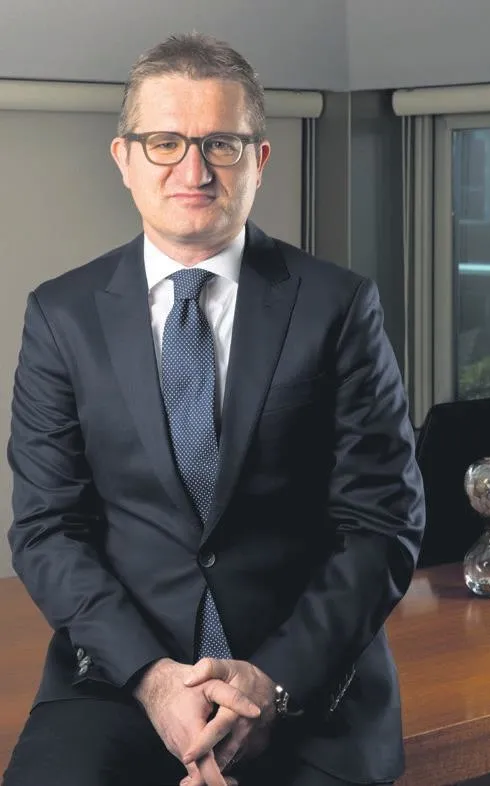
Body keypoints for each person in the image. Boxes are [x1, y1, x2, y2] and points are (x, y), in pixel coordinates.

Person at [4, 32, 425, 786]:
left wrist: (273, 682)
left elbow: (382, 522)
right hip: (119, 679)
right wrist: (152, 678)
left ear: (259, 159)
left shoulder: (338, 307)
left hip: (309, 684)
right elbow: (46, 528)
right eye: (165, 143)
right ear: (124, 159)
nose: (193, 171)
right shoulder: (62, 316)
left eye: (221, 145)